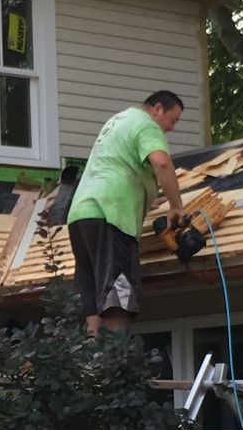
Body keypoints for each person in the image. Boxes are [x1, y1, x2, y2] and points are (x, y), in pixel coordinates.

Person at [67, 89, 187, 333]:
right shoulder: (146, 125)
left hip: (81, 214)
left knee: (90, 289)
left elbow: (118, 165)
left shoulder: (118, 121)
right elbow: (161, 162)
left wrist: (142, 198)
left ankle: (93, 354)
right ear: (157, 109)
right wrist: (176, 206)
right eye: (172, 120)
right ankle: (117, 357)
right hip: (111, 214)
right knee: (117, 290)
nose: (171, 128)